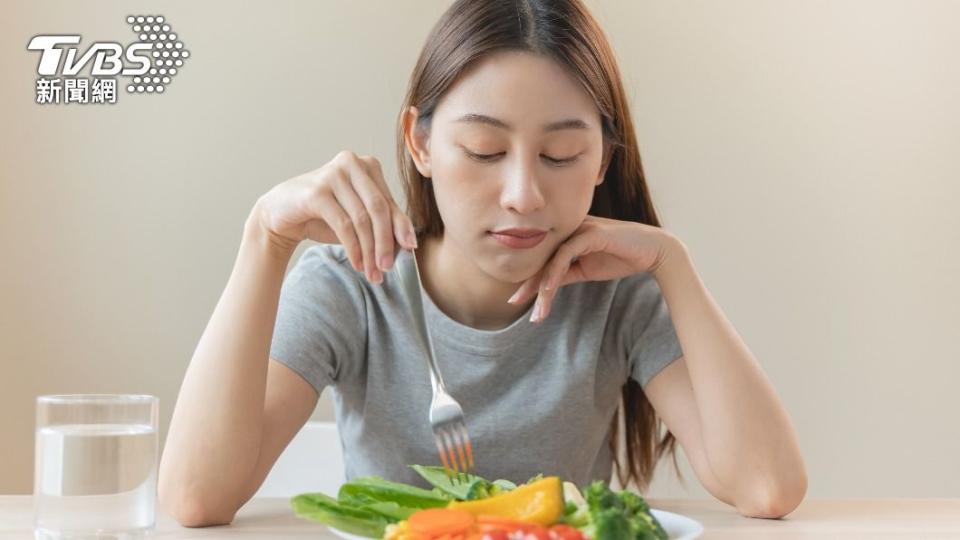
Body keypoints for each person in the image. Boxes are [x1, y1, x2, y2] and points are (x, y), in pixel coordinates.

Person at [158, 0, 807, 527]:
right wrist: (263, 239)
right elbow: (195, 497)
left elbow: (766, 486)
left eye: (560, 156)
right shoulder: (354, 286)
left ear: (603, 161)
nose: (523, 194)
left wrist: (675, 266)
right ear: (421, 143)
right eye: (484, 149)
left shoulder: (619, 297)